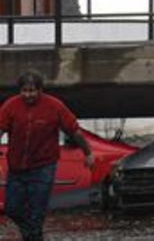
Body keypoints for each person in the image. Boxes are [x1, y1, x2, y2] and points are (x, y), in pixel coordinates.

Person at [0, 71, 92, 241]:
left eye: (32, 91)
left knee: (37, 213)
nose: (28, 95)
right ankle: (33, 235)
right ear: (20, 91)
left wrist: (87, 153)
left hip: (43, 167)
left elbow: (74, 130)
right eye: (25, 91)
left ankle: (33, 235)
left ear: (40, 90)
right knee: (12, 209)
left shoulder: (54, 106)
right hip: (16, 167)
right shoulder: (10, 106)